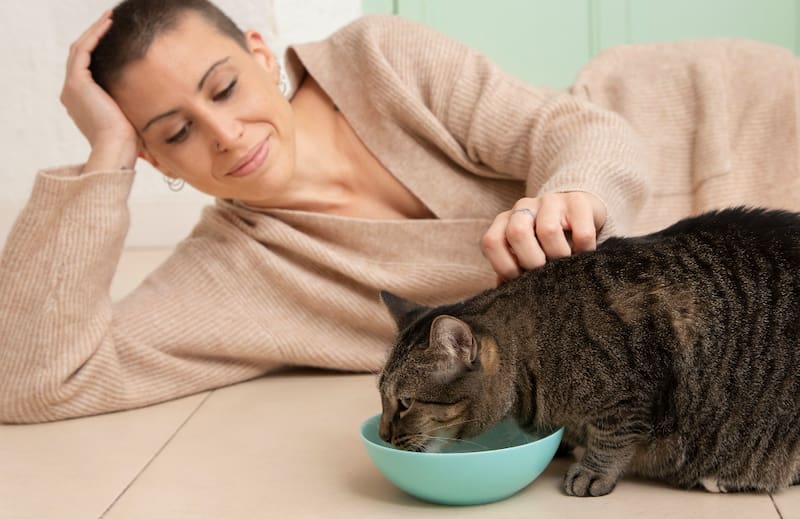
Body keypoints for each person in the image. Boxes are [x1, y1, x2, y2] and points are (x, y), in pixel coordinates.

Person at [1, 0, 797, 423]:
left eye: (224, 88)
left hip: (715, 119)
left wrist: (573, 193)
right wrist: (104, 153)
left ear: (258, 53)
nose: (225, 134)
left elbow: (580, 130)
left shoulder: (376, 57)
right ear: (153, 158)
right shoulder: (233, 275)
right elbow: (29, 380)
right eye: (174, 132)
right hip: (722, 319)